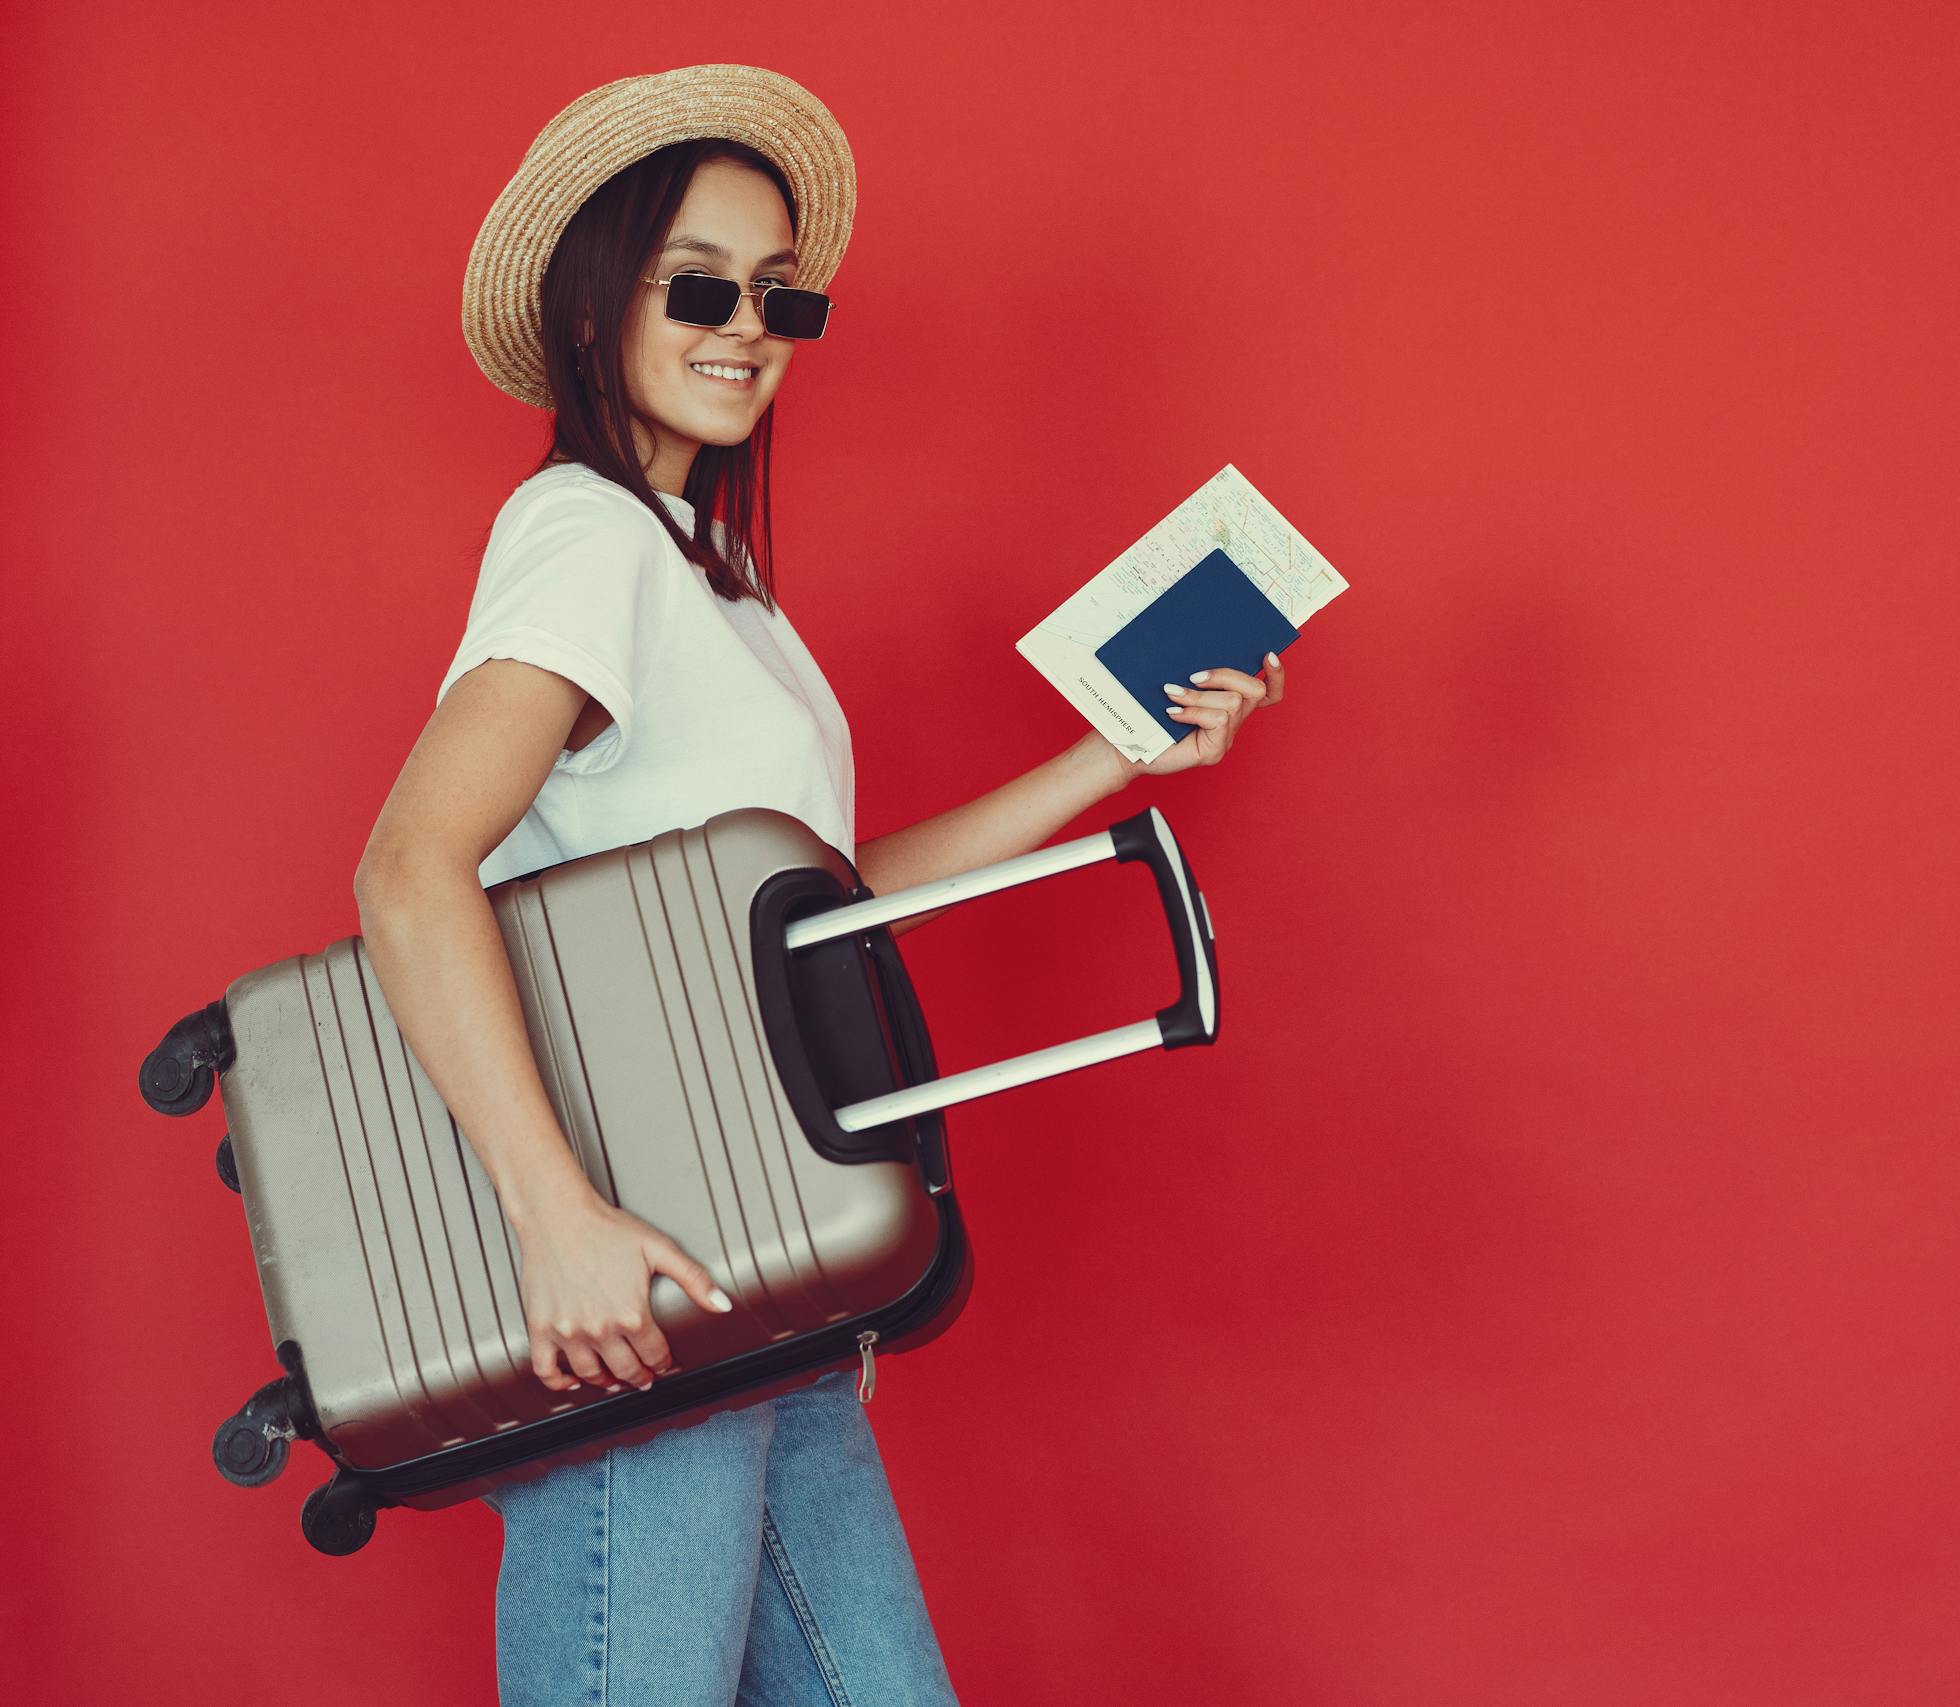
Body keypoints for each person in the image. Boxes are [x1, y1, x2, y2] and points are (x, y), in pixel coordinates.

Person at [351, 65, 1285, 1706]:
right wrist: (556, 1224)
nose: (748, 325)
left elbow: (823, 900)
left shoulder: (712, 579)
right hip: (648, 1275)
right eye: (699, 284)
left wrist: (1111, 759)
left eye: (780, 292)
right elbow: (409, 870)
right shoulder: (587, 537)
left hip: (766, 1274)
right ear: (592, 308)